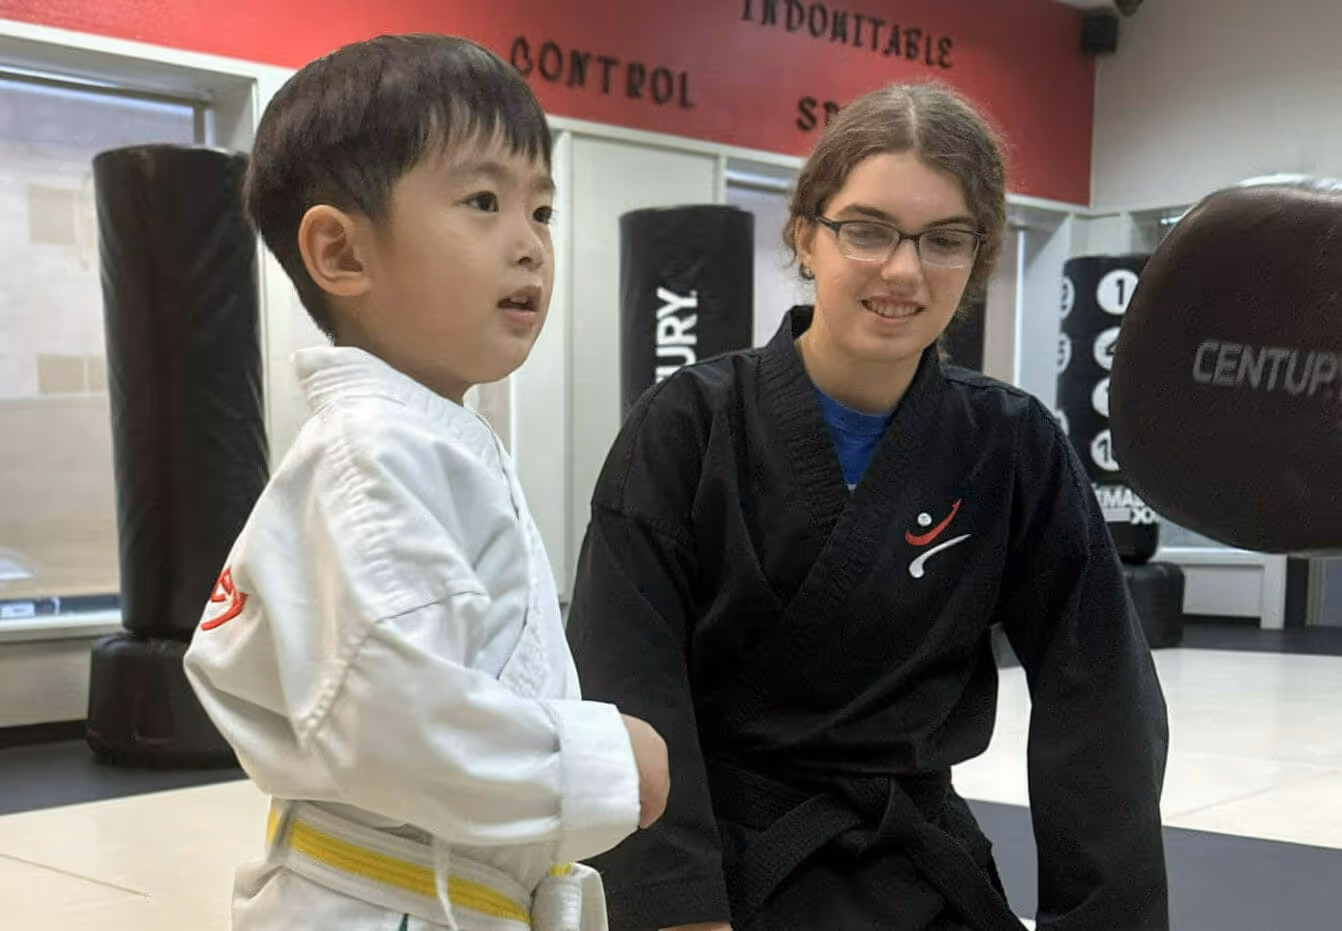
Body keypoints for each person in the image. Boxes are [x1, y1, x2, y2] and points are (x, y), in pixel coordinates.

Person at [566, 81, 1169, 931]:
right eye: (868, 228)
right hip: (729, 873)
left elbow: (1101, 691)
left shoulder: (1011, 442)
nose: (903, 270)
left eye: (944, 240)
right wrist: (678, 908)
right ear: (807, 234)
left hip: (921, 870)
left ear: (977, 258)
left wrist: (1103, 917)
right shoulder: (688, 426)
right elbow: (626, 686)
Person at [183, 34, 669, 931]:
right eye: (484, 201)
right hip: (390, 901)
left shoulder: (429, 439)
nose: (529, 246)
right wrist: (601, 758)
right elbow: (395, 716)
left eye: (543, 210)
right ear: (341, 252)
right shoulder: (373, 455)